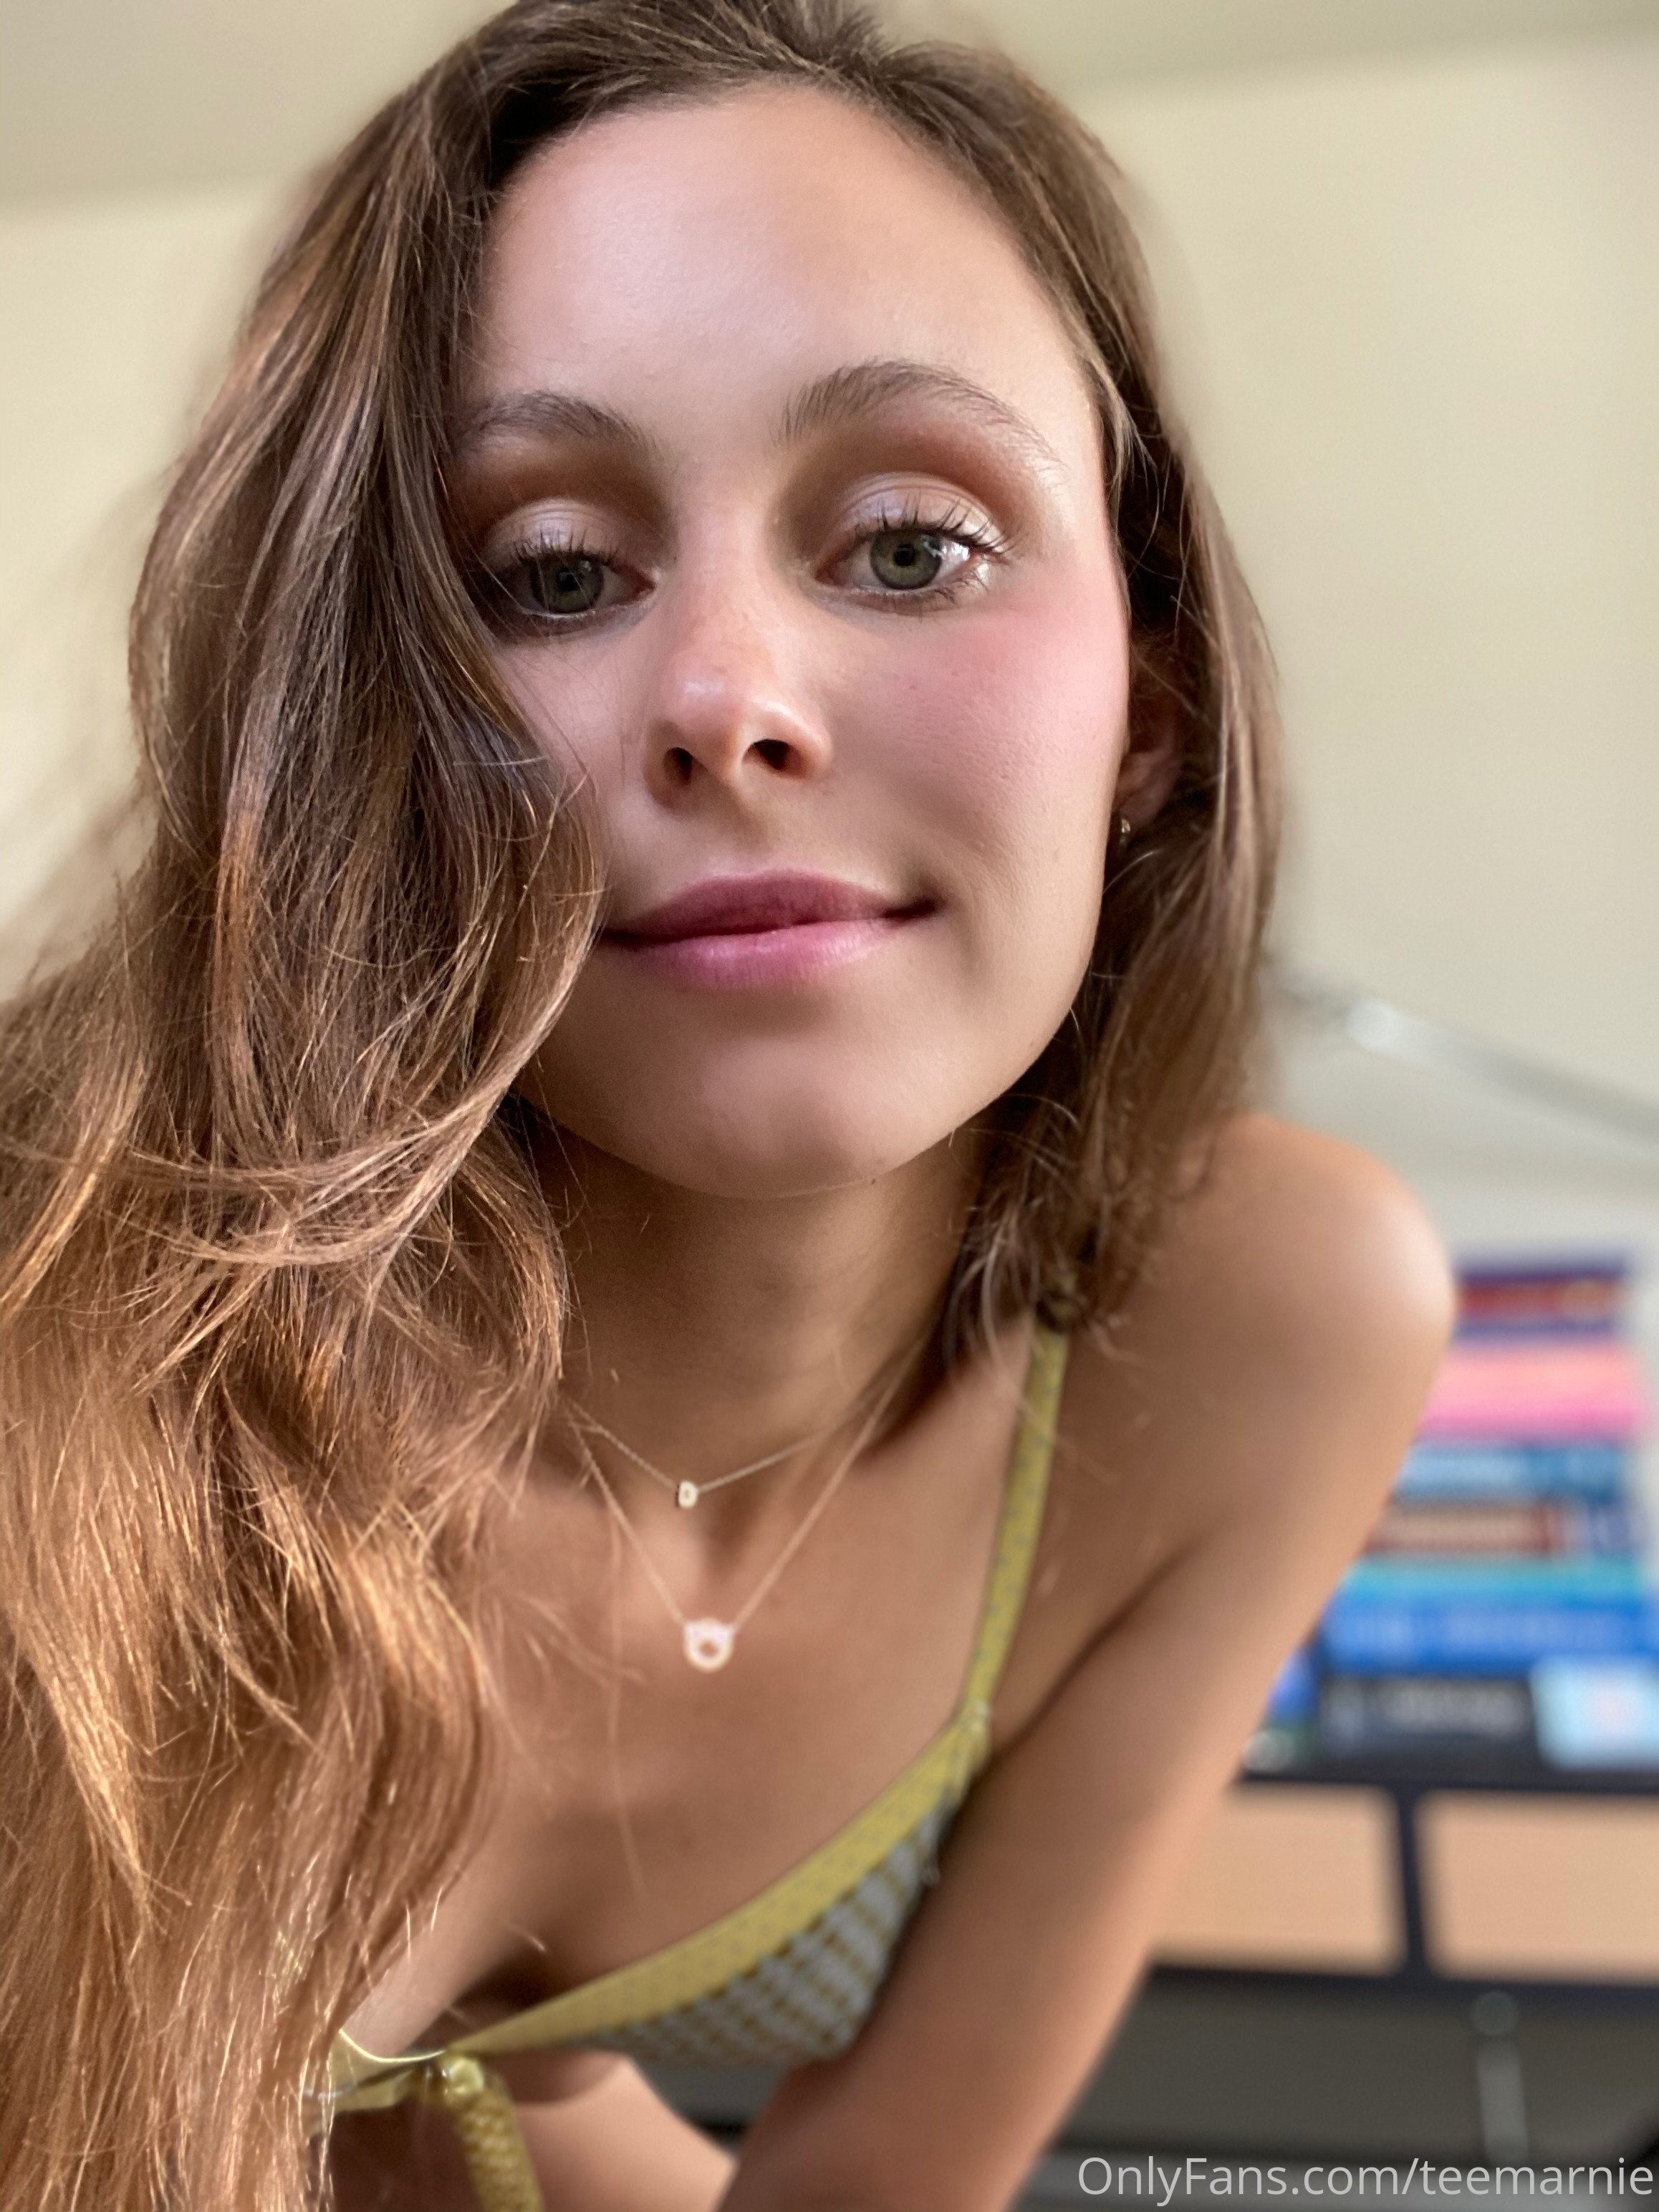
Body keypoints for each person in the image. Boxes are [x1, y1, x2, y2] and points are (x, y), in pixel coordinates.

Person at [0, 2, 1456, 2208]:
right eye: (550, 575)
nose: (728, 702)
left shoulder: (1273, 1321)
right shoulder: (68, 1362)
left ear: (1147, 703)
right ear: (354, 731)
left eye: (908, 544)